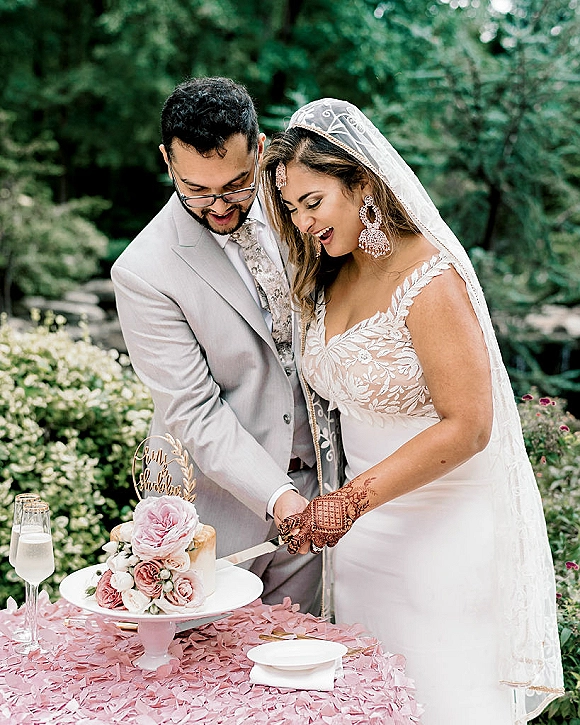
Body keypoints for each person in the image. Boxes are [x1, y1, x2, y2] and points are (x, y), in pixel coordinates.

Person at [261, 98, 564, 723]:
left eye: (314, 201)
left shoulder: (430, 279)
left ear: (363, 183)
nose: (303, 222)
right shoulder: (327, 275)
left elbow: (470, 425)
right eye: (291, 208)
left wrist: (350, 501)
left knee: (445, 698)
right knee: (376, 703)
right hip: (362, 541)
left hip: (443, 533)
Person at [111, 78, 341, 617]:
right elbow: (193, 410)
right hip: (214, 518)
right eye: (196, 189)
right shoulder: (142, 271)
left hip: (323, 494)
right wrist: (279, 498)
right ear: (167, 161)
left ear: (259, 150)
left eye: (236, 185)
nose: (218, 206)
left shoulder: (301, 213)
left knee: (300, 654)